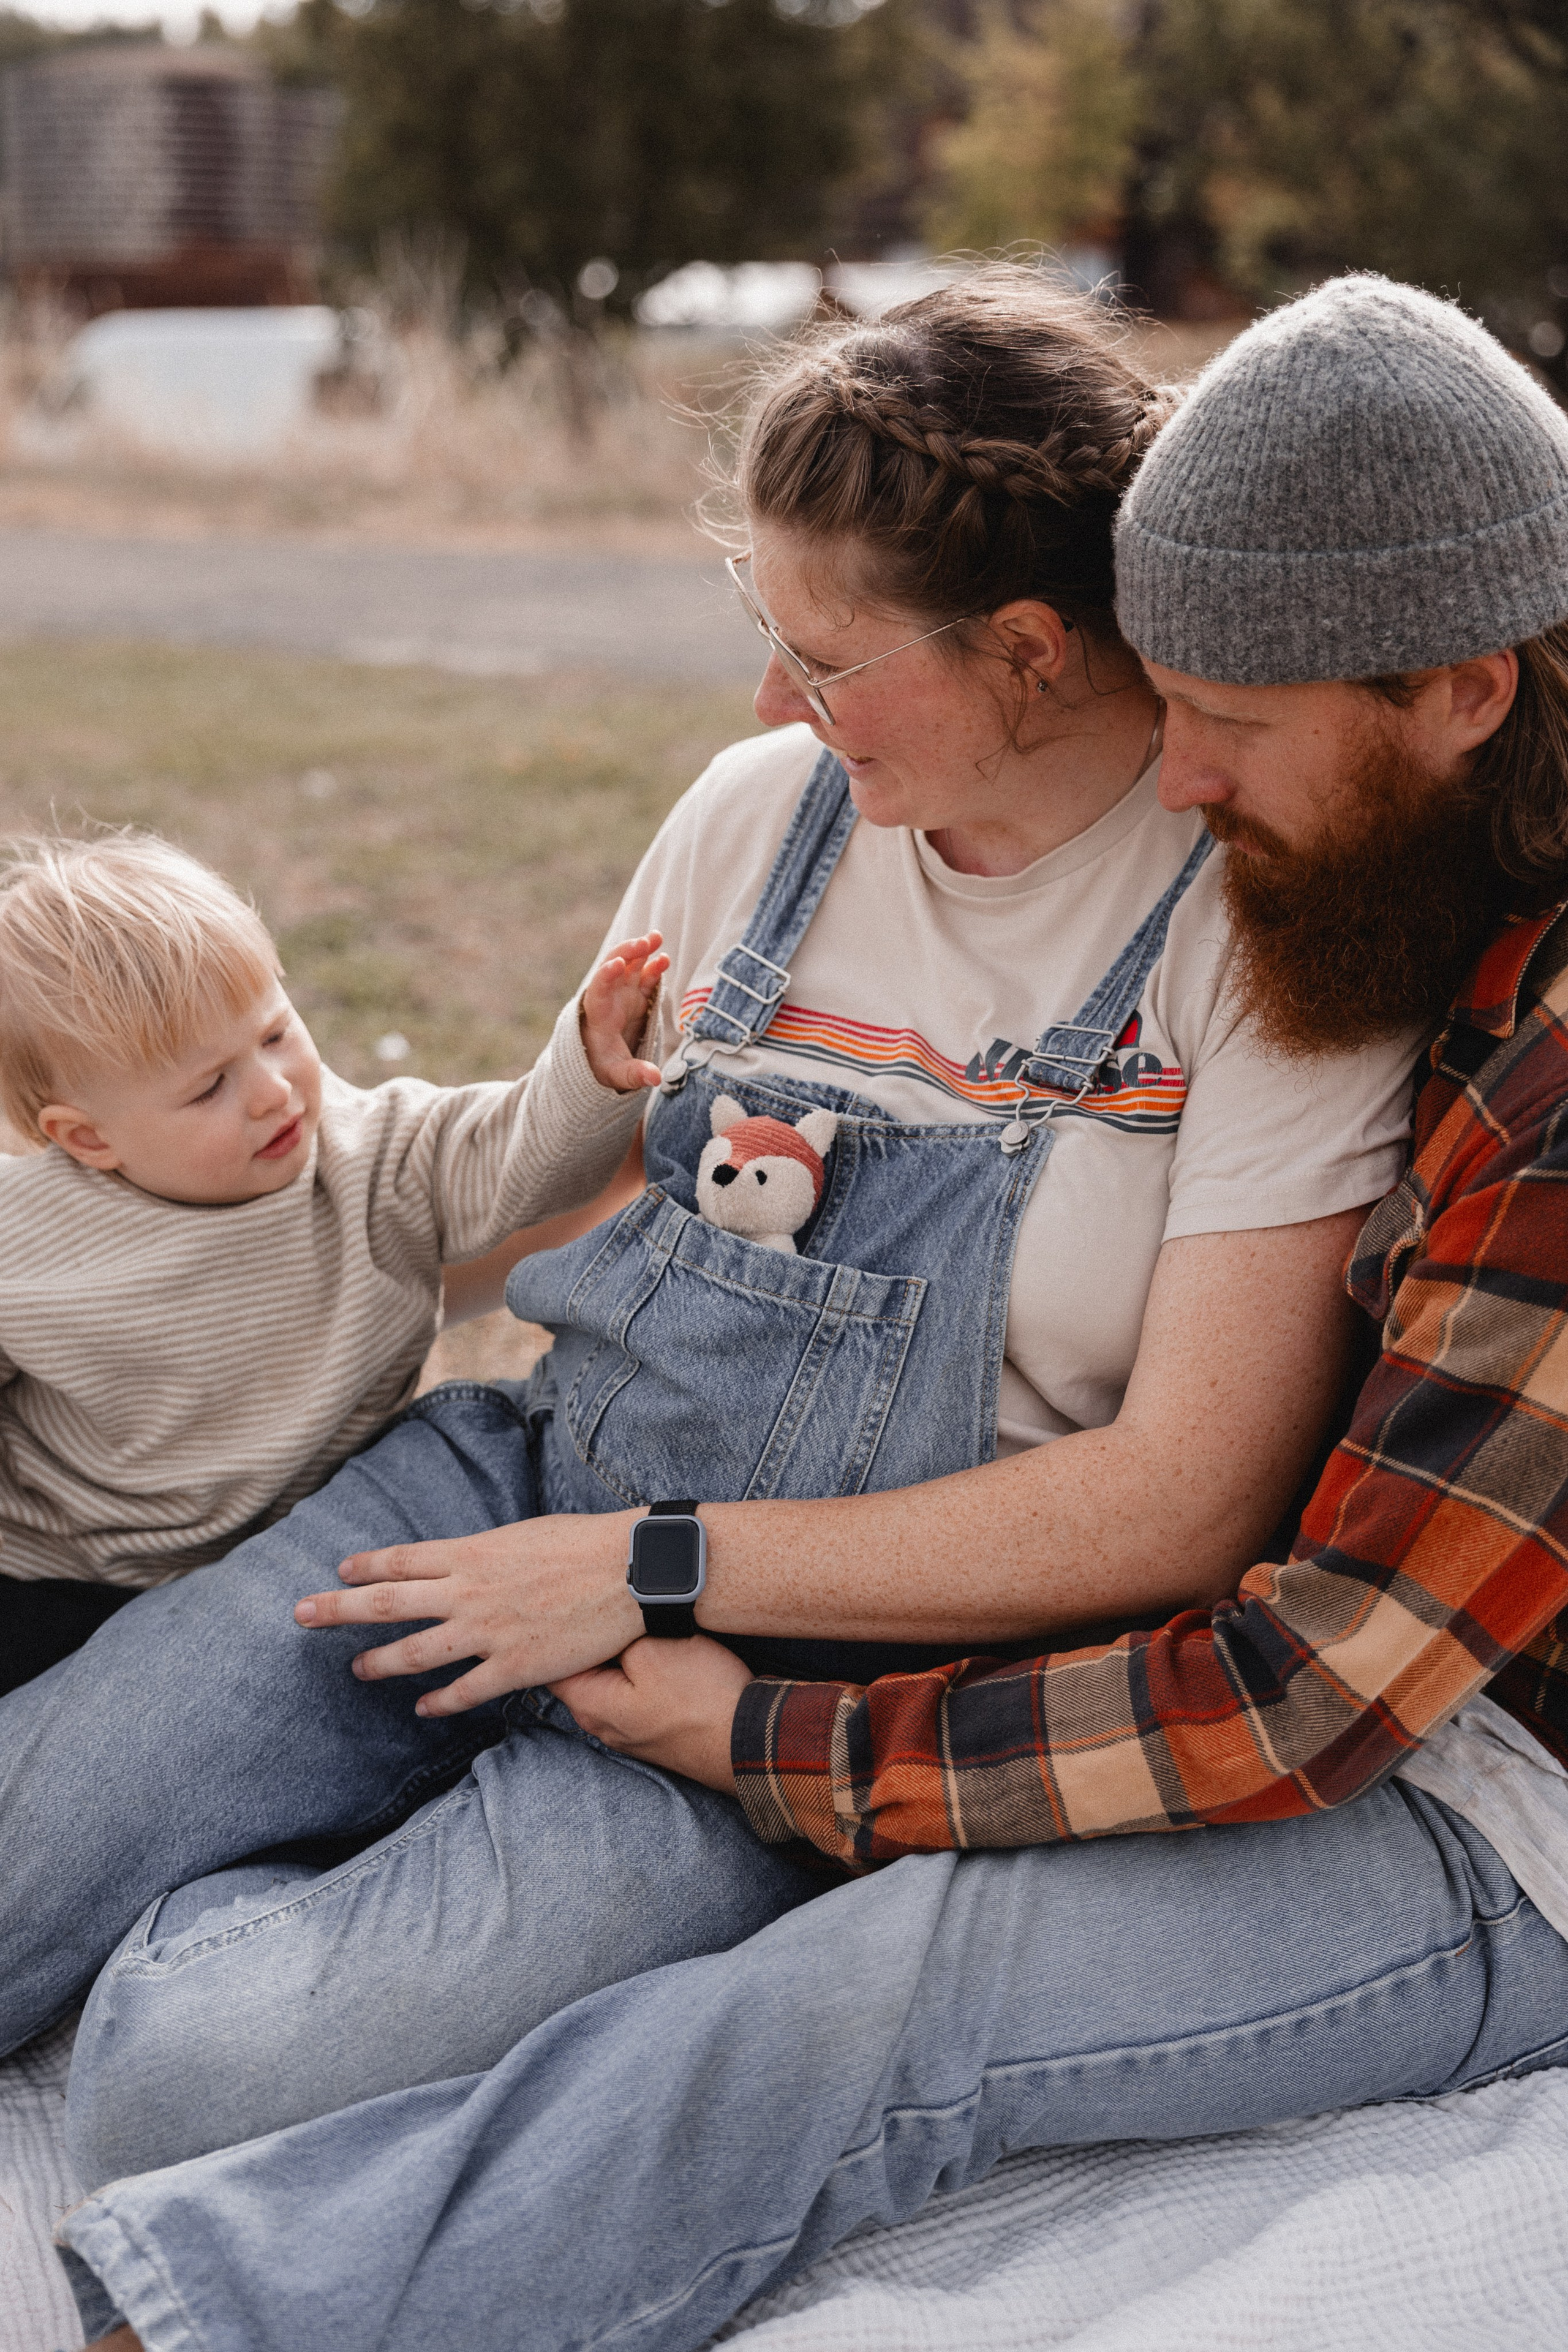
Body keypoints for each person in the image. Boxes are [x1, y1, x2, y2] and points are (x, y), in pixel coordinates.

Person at [0, 271, 1467, 2350]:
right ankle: (314, 1837)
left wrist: (645, 1576)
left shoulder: (1247, 933)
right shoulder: (750, 824)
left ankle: (359, 1898)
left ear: (1032, 654)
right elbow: (525, 1232)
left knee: (187, 2083)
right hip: (516, 1489)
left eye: (831, 656)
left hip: (782, 1661)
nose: (779, 704)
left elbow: (1180, 1504)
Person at [0, 829, 665, 1691]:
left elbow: (514, 1153)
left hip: (289, 1546)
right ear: (89, 1139)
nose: (274, 1089)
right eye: (210, 1086)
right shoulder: (32, 1243)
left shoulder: (376, 1155)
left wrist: (589, 1070)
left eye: (275, 1033)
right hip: (55, 1569)